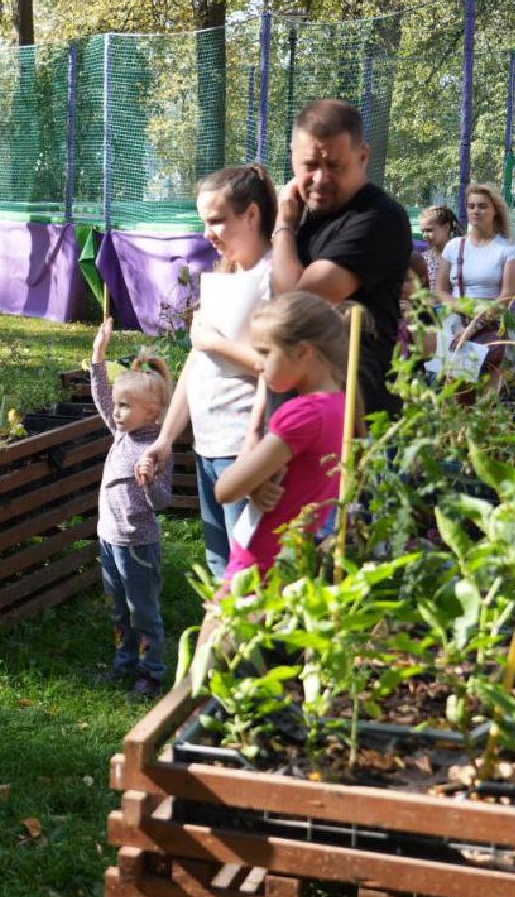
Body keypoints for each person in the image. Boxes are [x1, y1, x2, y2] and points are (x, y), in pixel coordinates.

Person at [140, 164, 275, 578]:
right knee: (221, 566)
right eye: (205, 222)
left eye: (217, 220)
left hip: (245, 448)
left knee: (249, 572)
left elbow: (280, 368)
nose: (207, 233)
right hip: (209, 445)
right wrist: (165, 439)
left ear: (251, 215)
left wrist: (212, 342)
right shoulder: (222, 275)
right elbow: (198, 365)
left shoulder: (273, 276)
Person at [269, 99, 413, 419]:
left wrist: (283, 226)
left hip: (353, 422)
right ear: (292, 157)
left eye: (335, 166)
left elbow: (298, 303)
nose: (320, 179)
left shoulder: (379, 218)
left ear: (363, 157)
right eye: (309, 165)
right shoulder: (303, 215)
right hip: (295, 415)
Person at [213, 292, 349, 582]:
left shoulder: (302, 414)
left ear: (303, 352)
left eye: (264, 352)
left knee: (214, 629)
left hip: (258, 562)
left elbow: (225, 489)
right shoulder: (343, 404)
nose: (257, 364)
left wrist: (251, 484)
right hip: (292, 560)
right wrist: (258, 485)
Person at [90, 316, 174, 697]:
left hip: (138, 546)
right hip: (108, 540)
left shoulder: (154, 450)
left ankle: (151, 671)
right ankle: (123, 663)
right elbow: (103, 400)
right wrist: (98, 355)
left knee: (142, 611)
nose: (118, 412)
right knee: (118, 610)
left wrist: (149, 480)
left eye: (127, 406)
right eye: (118, 406)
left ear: (151, 413)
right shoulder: (121, 436)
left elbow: (163, 502)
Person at [434, 184, 515, 344]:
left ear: (495, 210)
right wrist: (462, 308)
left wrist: (474, 326)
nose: (476, 211)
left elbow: (507, 296)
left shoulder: (509, 246)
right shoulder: (453, 246)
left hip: (491, 329)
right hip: (454, 326)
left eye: (482, 206)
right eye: (471, 206)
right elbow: (440, 290)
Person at [417, 203, 459, 292]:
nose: (425, 235)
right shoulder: (423, 259)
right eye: (422, 231)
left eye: (429, 230)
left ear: (446, 228)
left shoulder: (460, 255)